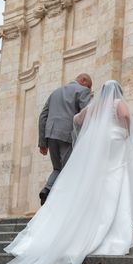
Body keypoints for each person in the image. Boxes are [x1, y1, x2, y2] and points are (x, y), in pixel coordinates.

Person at [0, 80, 133, 264]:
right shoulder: (116, 103)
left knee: (100, 178)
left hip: (98, 143)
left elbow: (77, 118)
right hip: (116, 141)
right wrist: (127, 131)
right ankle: (113, 219)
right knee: (116, 178)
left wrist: (90, 130)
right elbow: (124, 116)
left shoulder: (96, 105)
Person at [38, 74, 92, 205]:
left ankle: (47, 189)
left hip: (50, 135)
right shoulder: (83, 91)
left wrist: (42, 143)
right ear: (83, 81)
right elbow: (87, 114)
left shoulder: (55, 92)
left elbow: (43, 116)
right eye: (89, 87)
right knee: (69, 169)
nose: (89, 90)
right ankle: (63, 202)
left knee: (57, 168)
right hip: (68, 135)